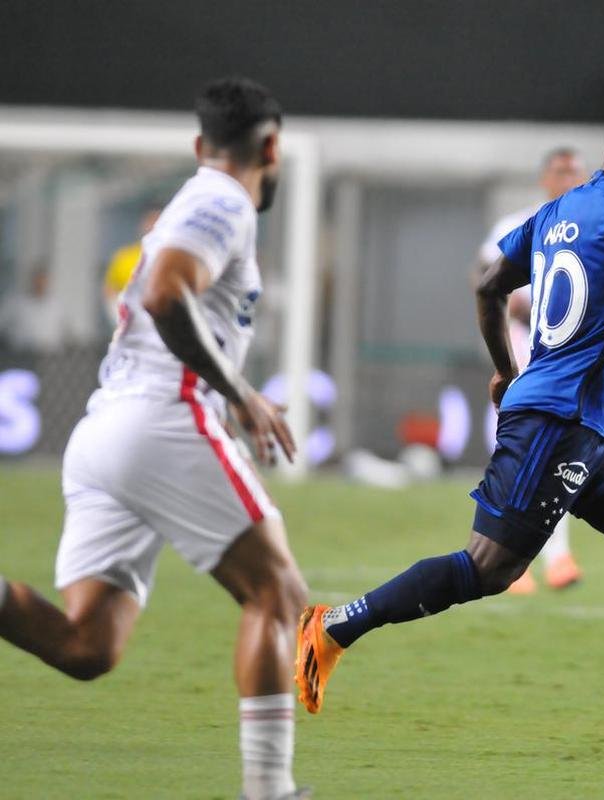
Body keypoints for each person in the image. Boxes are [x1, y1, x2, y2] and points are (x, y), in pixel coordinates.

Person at [297, 104, 604, 749]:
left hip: (586, 423)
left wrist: (505, 369)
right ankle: (333, 625)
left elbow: (488, 287)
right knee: (489, 569)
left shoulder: (559, 211)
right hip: (556, 421)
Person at [0, 78, 310, 800]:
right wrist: (239, 394)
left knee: (87, 646)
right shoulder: (222, 198)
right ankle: (271, 792)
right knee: (278, 592)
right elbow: (167, 291)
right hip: (163, 417)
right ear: (270, 148)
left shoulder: (193, 199)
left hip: (107, 429)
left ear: (201, 145)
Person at [474, 147, 587, 594]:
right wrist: (510, 298)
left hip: (571, 356)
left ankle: (550, 557)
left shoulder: (596, 223)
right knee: (523, 450)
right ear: (545, 178)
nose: (570, 177)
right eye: (561, 170)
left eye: (576, 170)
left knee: (560, 454)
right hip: (525, 352)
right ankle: (518, 559)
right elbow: (483, 279)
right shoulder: (519, 225)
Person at [102, 205, 162, 324]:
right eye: (150, 221)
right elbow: (110, 290)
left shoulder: (171, 256)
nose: (152, 226)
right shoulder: (124, 256)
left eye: (157, 221)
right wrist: (121, 317)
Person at [0, 263, 67, 354]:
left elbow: (62, 332)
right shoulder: (16, 302)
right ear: (32, 280)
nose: (40, 284)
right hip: (20, 355)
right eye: (37, 280)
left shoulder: (56, 305)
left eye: (43, 280)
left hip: (49, 357)